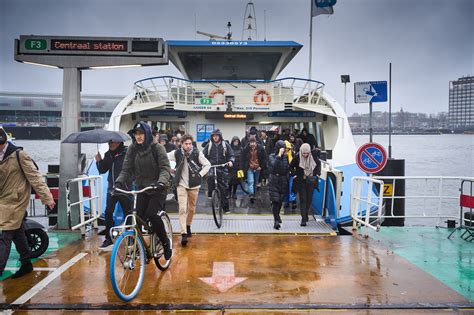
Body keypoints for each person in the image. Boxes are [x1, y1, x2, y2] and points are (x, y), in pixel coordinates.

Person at [0, 127, 55, 278]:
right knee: (18, 234)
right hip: (3, 201)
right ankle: (26, 264)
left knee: (5, 237)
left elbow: (35, 178)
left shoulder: (19, 155)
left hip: (15, 202)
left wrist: (47, 198)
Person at [115, 122, 173, 260]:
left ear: (147, 134)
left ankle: (165, 242)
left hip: (158, 188)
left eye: (141, 133)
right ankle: (138, 246)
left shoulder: (157, 148)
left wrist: (161, 182)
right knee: (137, 216)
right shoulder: (132, 149)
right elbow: (126, 169)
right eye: (136, 134)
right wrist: (118, 181)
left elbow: (165, 168)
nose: (138, 136)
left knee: (152, 214)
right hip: (142, 188)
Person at [167, 135, 210, 246]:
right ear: (182, 144)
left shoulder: (197, 153)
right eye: (186, 144)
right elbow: (164, 157)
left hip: (194, 185)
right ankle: (183, 234)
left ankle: (188, 225)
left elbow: (207, 164)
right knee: (182, 208)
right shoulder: (176, 153)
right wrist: (169, 169)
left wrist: (200, 175)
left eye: (190, 143)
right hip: (181, 184)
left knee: (192, 209)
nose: (188, 146)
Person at [95, 140, 131, 249]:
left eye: (113, 142)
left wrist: (129, 182)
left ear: (119, 142)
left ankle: (130, 238)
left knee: (128, 213)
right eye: (109, 142)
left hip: (125, 188)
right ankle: (108, 238)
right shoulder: (108, 155)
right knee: (108, 212)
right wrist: (99, 161)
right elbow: (102, 169)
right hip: (112, 189)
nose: (110, 144)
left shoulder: (127, 152)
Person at [203, 129, 235, 214]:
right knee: (209, 178)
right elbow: (203, 156)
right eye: (214, 136)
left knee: (224, 189)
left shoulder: (225, 145)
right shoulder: (209, 145)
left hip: (222, 167)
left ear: (220, 136)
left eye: (217, 136)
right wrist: (203, 163)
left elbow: (231, 155)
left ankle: (226, 208)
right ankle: (211, 193)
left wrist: (231, 161)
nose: (215, 137)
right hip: (212, 167)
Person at [290, 143, 321, 226]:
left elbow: (318, 164)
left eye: (307, 153)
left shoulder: (313, 156)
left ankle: (306, 214)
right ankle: (303, 219)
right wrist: (294, 175)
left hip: (311, 181)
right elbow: (290, 166)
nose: (305, 155)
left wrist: (317, 174)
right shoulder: (297, 157)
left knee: (309, 199)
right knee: (303, 199)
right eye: (304, 153)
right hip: (301, 181)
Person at [267, 140, 290, 230]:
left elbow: (286, 168)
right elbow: (273, 166)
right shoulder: (271, 156)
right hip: (274, 180)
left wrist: (287, 178)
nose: (284, 150)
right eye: (282, 148)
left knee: (280, 201)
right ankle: (276, 220)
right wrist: (279, 156)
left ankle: (277, 216)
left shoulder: (286, 156)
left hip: (283, 180)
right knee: (275, 201)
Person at [241, 135, 267, 203]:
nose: (252, 144)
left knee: (255, 182)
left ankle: (254, 195)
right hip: (250, 167)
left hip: (258, 168)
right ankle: (251, 195)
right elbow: (243, 159)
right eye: (251, 142)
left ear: (256, 142)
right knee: (251, 181)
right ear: (249, 143)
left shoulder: (260, 148)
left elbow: (265, 158)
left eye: (253, 142)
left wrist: (261, 166)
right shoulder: (246, 149)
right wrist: (243, 168)